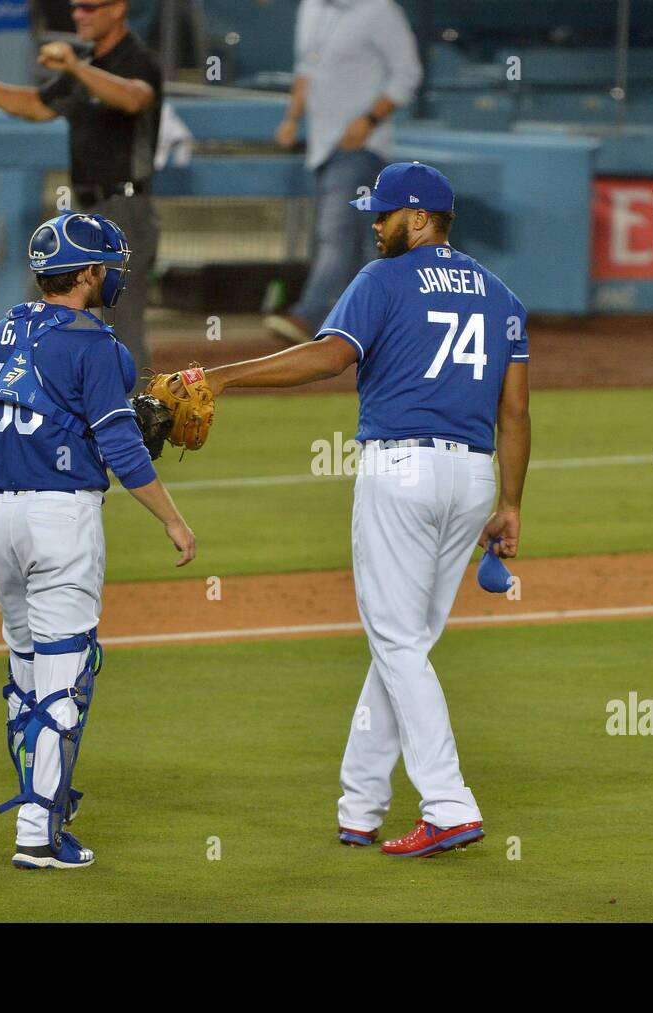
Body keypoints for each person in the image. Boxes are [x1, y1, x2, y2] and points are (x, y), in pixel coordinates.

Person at [194, 163, 530, 856]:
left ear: (416, 218)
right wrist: (511, 504)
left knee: (398, 641)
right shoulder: (502, 296)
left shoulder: (383, 280)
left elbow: (329, 357)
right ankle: (361, 804)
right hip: (472, 476)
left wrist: (223, 376)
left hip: (401, 473)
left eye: (381, 214)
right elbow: (517, 410)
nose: (373, 226)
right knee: (402, 641)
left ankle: (448, 802)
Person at [0, 211, 195, 870]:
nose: (114, 275)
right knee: (64, 679)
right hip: (60, 523)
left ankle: (42, 801)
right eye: (109, 265)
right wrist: (173, 519)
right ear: (91, 272)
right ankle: (38, 832)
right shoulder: (97, 344)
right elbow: (123, 448)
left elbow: (24, 419)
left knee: (25, 676)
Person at [0, 0, 163, 375]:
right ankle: (45, 417)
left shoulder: (137, 59)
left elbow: (133, 98)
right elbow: (33, 105)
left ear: (118, 8)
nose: (79, 14)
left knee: (121, 327)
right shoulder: (85, 67)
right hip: (84, 213)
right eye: (76, 7)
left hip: (125, 209)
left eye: (89, 7)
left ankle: (136, 424)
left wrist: (76, 67)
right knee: (48, 314)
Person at [265, 0, 422, 345]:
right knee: (360, 242)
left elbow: (408, 73)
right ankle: (385, 321)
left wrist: (368, 121)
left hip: (360, 146)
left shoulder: (380, 10)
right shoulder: (311, 7)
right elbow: (306, 67)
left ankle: (308, 314)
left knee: (335, 233)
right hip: (322, 145)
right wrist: (292, 119)